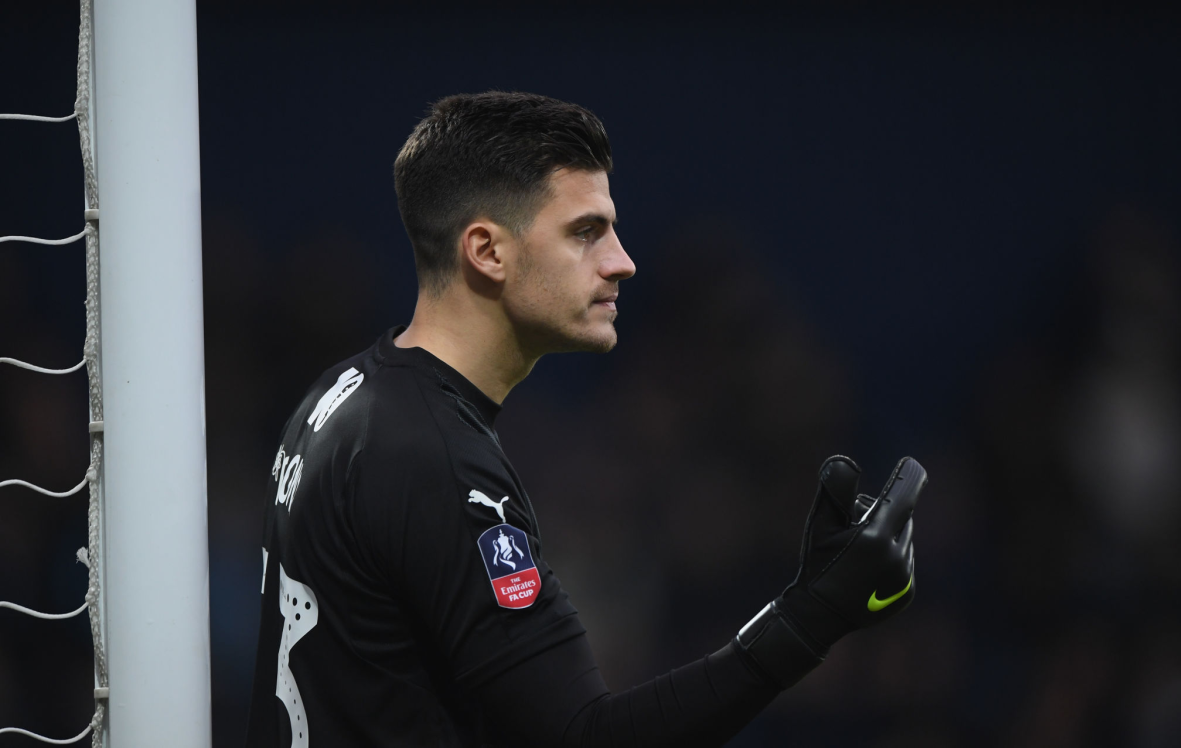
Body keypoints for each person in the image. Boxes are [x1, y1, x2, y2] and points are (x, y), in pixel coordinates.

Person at [244, 91, 925, 747]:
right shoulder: (437, 457)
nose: (621, 262)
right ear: (487, 252)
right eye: (586, 232)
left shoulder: (345, 396)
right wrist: (812, 617)